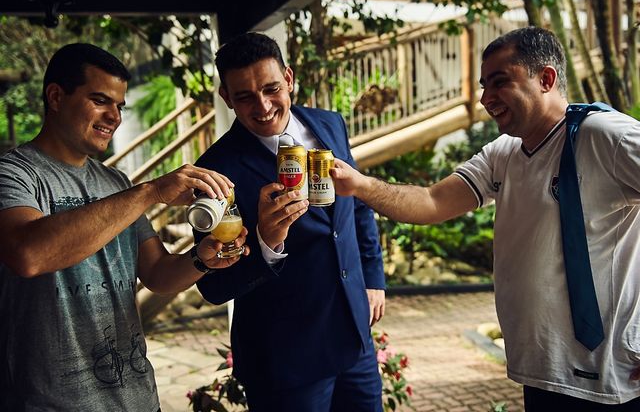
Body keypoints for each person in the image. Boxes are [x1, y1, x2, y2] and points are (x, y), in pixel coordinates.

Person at [330, 26, 640, 410]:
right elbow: (430, 202)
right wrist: (359, 185)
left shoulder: (605, 135)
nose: (485, 98)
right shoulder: (504, 153)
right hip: (544, 369)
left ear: (546, 79)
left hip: (611, 375)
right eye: (483, 85)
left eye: (499, 83)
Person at [0, 43, 248, 411]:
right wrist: (151, 191)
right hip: (51, 403)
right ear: (55, 96)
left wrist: (201, 258)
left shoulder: (116, 182)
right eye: (100, 100)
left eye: (119, 105)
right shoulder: (15, 173)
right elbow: (28, 254)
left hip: (137, 398)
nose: (113, 116)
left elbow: (158, 274)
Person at [194, 32, 386, 411]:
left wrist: (373, 279)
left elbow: (358, 204)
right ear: (226, 98)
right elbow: (213, 286)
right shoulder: (214, 170)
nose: (262, 106)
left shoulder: (330, 124)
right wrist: (267, 242)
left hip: (353, 339)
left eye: (271, 88)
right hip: (284, 358)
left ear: (290, 79)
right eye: (245, 96)